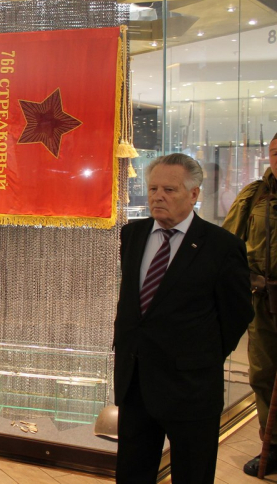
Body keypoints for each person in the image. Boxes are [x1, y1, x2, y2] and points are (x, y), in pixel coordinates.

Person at [114, 153, 251, 484]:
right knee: (132, 473)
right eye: (153, 189)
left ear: (194, 194)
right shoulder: (132, 235)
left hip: (190, 388)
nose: (158, 196)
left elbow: (237, 314)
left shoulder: (221, 246)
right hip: (135, 382)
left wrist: (200, 357)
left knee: (192, 474)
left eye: (169, 190)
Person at [222, 134, 277, 476]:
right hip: (265, 302)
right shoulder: (254, 195)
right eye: (275, 152)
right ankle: (273, 445)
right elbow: (227, 247)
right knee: (263, 374)